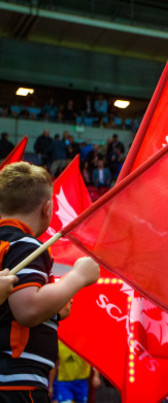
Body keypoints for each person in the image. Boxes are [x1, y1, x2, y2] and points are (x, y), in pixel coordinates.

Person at [0, 162, 100, 401]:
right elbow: (28, 309)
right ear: (47, 209)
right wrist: (77, 277)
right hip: (17, 383)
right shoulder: (26, 246)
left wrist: (53, 311)